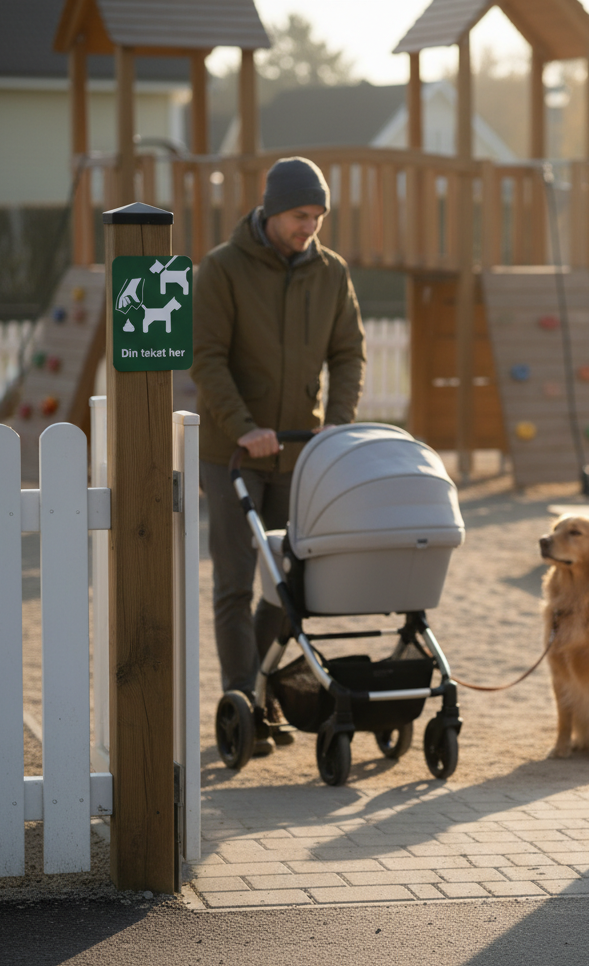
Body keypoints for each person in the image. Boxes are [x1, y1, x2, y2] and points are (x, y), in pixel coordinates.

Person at [192, 156, 365, 755]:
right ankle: (241, 703)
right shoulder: (221, 269)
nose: (309, 227)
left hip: (300, 453)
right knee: (237, 580)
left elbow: (348, 354)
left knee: (286, 584)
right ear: (270, 209)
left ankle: (260, 694)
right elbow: (206, 359)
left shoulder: (331, 272)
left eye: (317, 216)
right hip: (232, 455)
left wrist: (337, 427)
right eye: (299, 215)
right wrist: (244, 428)